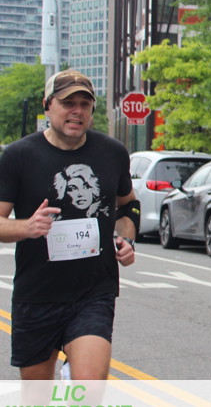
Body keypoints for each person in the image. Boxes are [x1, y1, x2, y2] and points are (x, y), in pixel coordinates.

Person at [0, 69, 137, 381]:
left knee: (90, 387)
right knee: (36, 403)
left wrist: (127, 239)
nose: (77, 111)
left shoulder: (112, 152)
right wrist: (27, 227)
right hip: (37, 295)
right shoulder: (19, 156)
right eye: (67, 103)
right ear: (48, 106)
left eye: (84, 104)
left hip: (93, 292)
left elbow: (128, 204)